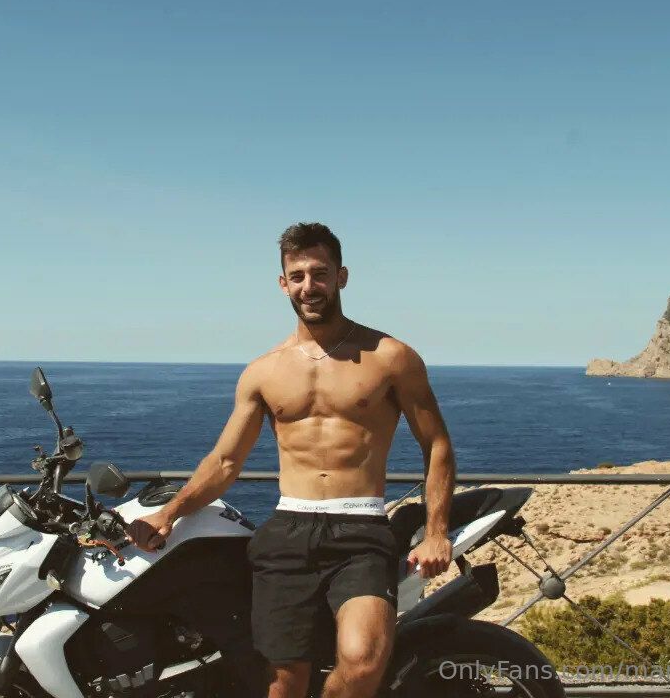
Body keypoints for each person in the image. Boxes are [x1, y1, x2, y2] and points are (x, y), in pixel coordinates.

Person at [128, 222, 456, 698]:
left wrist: (437, 531)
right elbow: (225, 461)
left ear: (341, 277)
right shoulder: (263, 371)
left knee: (363, 661)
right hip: (289, 528)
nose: (309, 286)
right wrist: (169, 513)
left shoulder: (391, 357)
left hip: (361, 529)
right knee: (282, 683)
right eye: (297, 276)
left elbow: (437, 444)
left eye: (319, 273)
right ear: (283, 284)